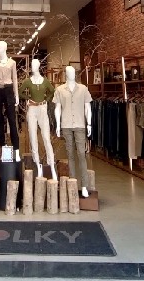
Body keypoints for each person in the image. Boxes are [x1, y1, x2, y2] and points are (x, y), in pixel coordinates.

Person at [54, 65, 93, 197]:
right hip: (66, 125)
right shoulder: (59, 90)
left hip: (80, 125)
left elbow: (88, 108)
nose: (71, 74)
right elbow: (57, 108)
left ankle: (84, 185)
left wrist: (89, 124)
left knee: (82, 154)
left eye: (72, 72)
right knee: (70, 154)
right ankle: (73, 183)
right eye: (68, 72)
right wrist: (58, 125)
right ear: (65, 74)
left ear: (75, 74)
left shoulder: (83, 89)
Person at [19, 58, 56, 180]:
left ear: (39, 66)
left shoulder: (45, 81)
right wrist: (28, 98)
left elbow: (52, 91)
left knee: (46, 137)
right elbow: (20, 92)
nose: (33, 67)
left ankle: (52, 165)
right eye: (32, 65)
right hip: (32, 110)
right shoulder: (28, 81)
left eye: (35, 64)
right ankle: (38, 165)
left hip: (42, 109)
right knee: (33, 137)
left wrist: (46, 100)